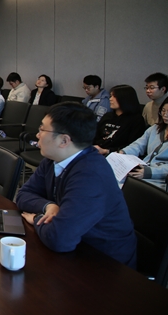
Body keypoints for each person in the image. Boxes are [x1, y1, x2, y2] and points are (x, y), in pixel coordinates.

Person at [16, 102, 136, 268]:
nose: (37, 135)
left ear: (64, 140)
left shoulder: (91, 175)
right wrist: (49, 206)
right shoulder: (53, 159)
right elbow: (23, 195)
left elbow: (59, 239)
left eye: (42, 129)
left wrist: (36, 218)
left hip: (105, 266)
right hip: (74, 248)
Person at [120, 96, 168, 185]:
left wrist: (149, 172)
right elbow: (138, 145)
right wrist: (122, 153)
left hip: (159, 179)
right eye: (163, 111)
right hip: (141, 170)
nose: (165, 115)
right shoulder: (155, 128)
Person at [93, 85, 145, 156]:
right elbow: (95, 135)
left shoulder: (136, 120)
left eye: (114, 96)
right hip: (97, 150)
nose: (110, 99)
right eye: (111, 96)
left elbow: (133, 145)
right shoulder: (108, 116)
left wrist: (107, 151)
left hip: (117, 155)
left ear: (125, 99)